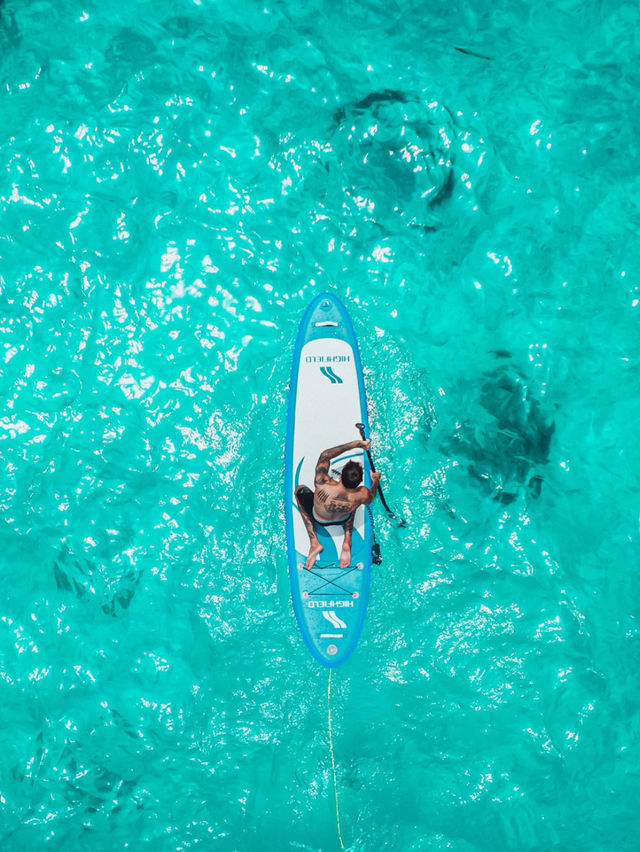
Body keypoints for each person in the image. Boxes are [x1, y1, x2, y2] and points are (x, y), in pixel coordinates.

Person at [295, 439, 381, 570]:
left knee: (299, 490)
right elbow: (371, 498)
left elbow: (325, 455)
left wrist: (356, 444)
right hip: (343, 518)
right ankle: (347, 541)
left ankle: (314, 542)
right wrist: (375, 481)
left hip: (319, 518)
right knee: (354, 505)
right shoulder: (361, 493)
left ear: (340, 476)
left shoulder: (322, 482)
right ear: (358, 483)